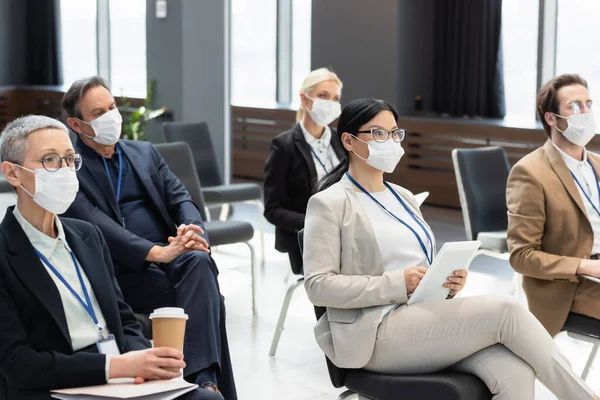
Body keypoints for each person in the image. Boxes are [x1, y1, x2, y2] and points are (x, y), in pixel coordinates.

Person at [303, 98, 599, 400]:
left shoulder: (402, 196)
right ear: (349, 141)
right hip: (375, 333)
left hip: (422, 318)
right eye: (378, 134)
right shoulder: (330, 203)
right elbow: (318, 286)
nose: (390, 142)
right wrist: (397, 284)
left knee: (515, 370)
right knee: (506, 311)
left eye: (395, 133)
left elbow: (417, 264)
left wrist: (446, 284)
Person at [0, 115, 223, 400]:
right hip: (58, 387)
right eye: (50, 160)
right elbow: (19, 364)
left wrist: (145, 362)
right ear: (13, 173)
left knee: (208, 398)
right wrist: (114, 366)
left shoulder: (87, 236)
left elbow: (125, 321)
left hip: (120, 381)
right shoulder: (6, 252)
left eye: (70, 159)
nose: (66, 170)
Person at [60, 76, 236, 399]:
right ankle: (208, 384)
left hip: (172, 256)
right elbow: (95, 224)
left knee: (198, 261)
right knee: (211, 300)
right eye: (99, 112)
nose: (112, 116)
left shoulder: (144, 153)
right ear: (76, 123)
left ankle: (203, 385)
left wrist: (192, 232)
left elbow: (182, 199)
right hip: (122, 271)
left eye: (112, 107)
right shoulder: (70, 170)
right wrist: (156, 252)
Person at [507, 73, 600, 337]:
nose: (585, 112)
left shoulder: (597, 164)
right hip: (570, 286)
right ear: (552, 119)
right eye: (574, 106)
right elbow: (521, 256)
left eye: (588, 105)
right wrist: (587, 266)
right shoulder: (530, 172)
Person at [264, 68, 345, 274]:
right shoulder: (284, 146)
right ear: (305, 99)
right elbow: (273, 209)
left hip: (347, 229)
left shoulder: (342, 141)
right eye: (323, 96)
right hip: (310, 239)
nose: (331, 103)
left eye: (335, 99)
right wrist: (314, 223)